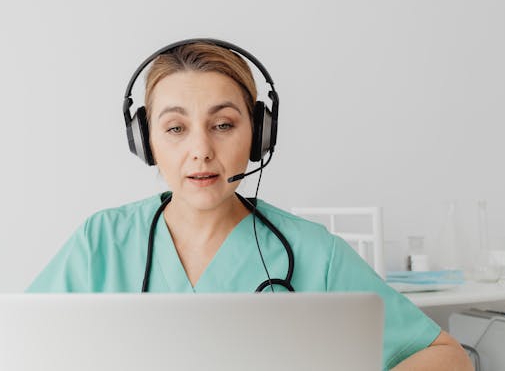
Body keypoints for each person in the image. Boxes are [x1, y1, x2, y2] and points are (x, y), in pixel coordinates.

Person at [26, 39, 473, 370]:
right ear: (146, 141)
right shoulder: (100, 242)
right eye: (176, 129)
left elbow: (447, 357)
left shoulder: (314, 254)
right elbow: (22, 351)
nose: (200, 150)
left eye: (223, 124)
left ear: (259, 135)